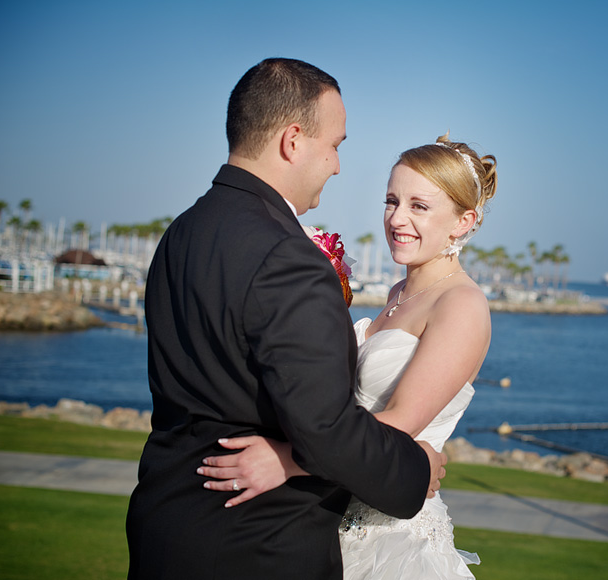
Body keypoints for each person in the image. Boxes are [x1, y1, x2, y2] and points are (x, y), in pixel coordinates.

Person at [125, 58, 446, 580]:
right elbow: (326, 431)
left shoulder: (182, 232)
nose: (338, 165)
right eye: (335, 144)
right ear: (293, 140)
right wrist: (415, 467)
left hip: (166, 523)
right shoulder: (287, 258)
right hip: (255, 546)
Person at [199, 134, 498, 578]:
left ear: (462, 221)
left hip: (392, 541)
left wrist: (284, 460)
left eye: (419, 206)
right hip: (334, 510)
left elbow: (398, 424)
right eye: (391, 201)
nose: (397, 218)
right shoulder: (400, 293)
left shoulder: (461, 305)